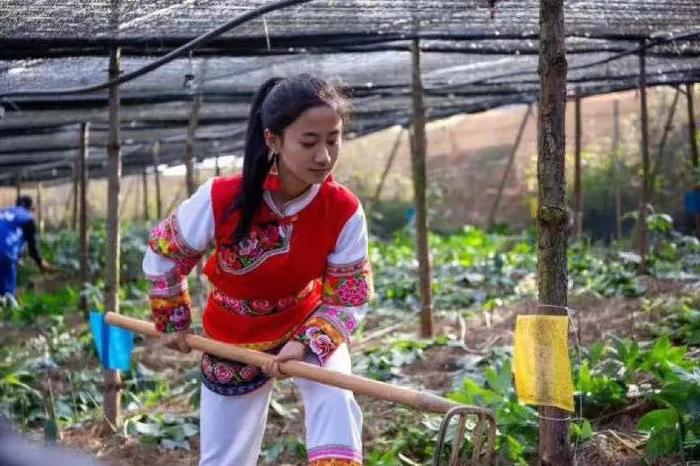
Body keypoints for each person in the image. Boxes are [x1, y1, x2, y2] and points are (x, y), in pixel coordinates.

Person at [143, 74, 373, 466]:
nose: (324, 156)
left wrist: (307, 343)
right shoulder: (221, 197)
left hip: (306, 324)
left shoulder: (343, 209)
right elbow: (165, 253)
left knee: (335, 398)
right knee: (225, 457)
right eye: (309, 141)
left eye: (333, 139)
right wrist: (174, 321)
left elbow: (348, 296)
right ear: (273, 140)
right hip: (231, 336)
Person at [0, 195, 48, 303]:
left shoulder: (4, 211)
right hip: (4, 253)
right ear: (30, 207)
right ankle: (9, 305)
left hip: (4, 251)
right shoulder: (27, 217)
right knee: (7, 291)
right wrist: (40, 262)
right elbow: (32, 246)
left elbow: (5, 232)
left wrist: (17, 257)